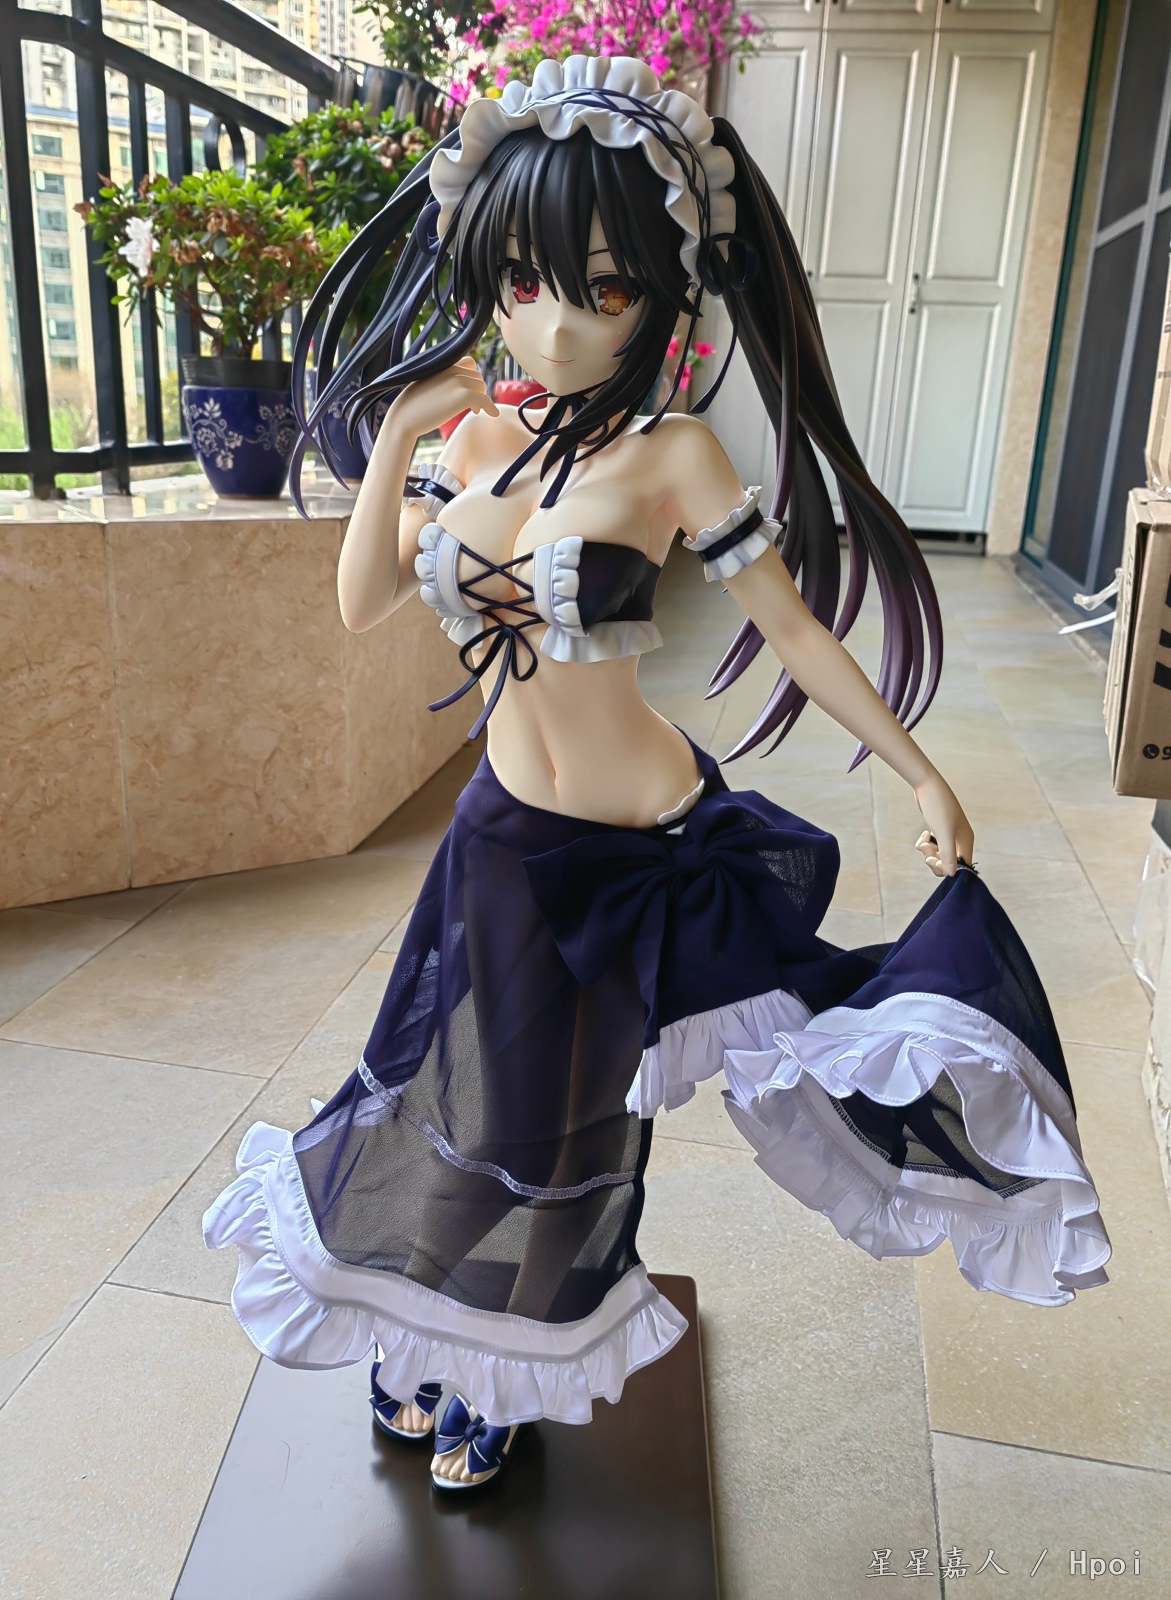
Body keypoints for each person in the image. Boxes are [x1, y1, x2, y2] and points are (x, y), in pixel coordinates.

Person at [203, 54, 1112, 1494]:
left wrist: (920, 771)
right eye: (523, 282)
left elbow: (796, 631)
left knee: (571, 1127)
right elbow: (364, 601)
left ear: (666, 296)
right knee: (462, 1099)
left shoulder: (675, 456)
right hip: (502, 841)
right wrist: (399, 434)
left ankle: (505, 1367)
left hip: (647, 854)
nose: (556, 324)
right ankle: (447, 1338)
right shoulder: (468, 441)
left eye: (604, 289)